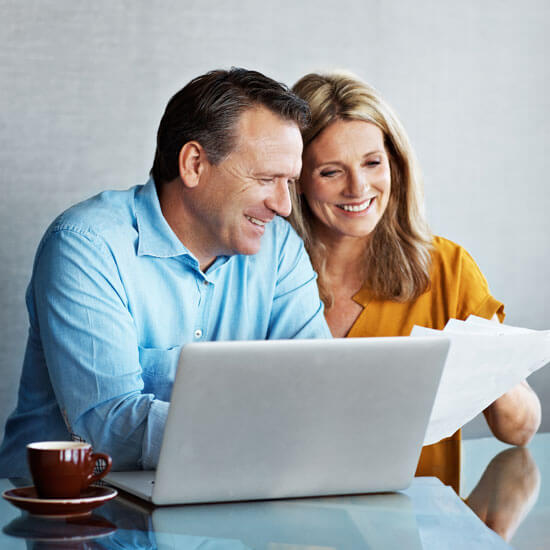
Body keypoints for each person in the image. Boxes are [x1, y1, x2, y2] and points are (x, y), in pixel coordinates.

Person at [0, 68, 331, 477]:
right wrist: (266, 432)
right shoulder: (86, 244)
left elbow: (317, 391)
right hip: (65, 514)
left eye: (290, 182)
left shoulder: (279, 249)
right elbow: (108, 426)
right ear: (194, 164)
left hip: (216, 501)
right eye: (266, 179)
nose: (284, 206)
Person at [288, 71, 541, 492]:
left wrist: (487, 361)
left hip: (416, 524)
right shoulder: (263, 276)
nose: (358, 188)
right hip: (286, 522)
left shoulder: (446, 267)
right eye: (331, 172)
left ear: (396, 165)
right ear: (296, 179)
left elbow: (518, 430)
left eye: (372, 163)